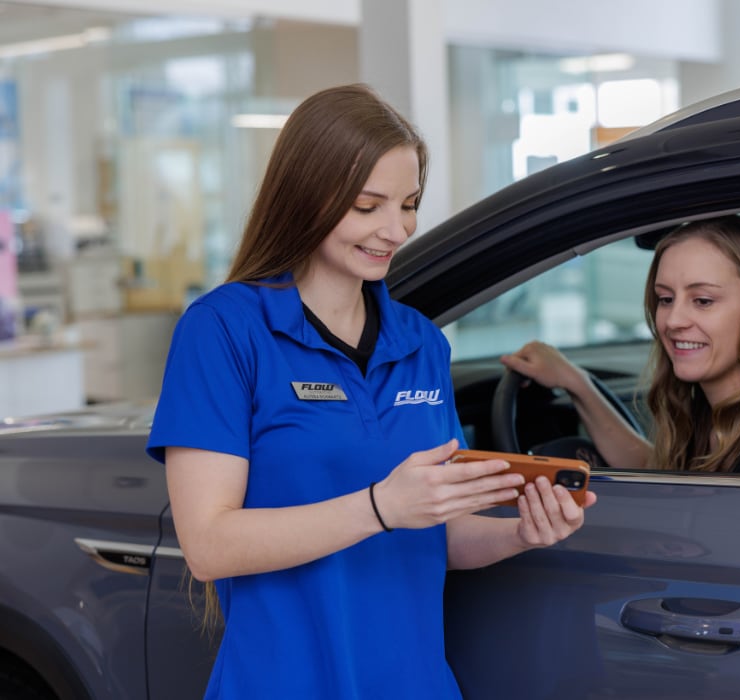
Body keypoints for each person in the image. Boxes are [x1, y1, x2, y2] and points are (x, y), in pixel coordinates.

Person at [145, 83, 596, 700]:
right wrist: (380, 506)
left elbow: (441, 533)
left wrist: (521, 533)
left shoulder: (420, 342)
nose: (396, 229)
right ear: (306, 197)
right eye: (367, 205)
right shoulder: (224, 329)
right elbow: (208, 546)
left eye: (408, 204)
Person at [501, 214, 740, 475]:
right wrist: (576, 383)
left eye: (703, 300)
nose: (671, 320)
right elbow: (655, 470)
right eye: (665, 298)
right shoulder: (711, 412)